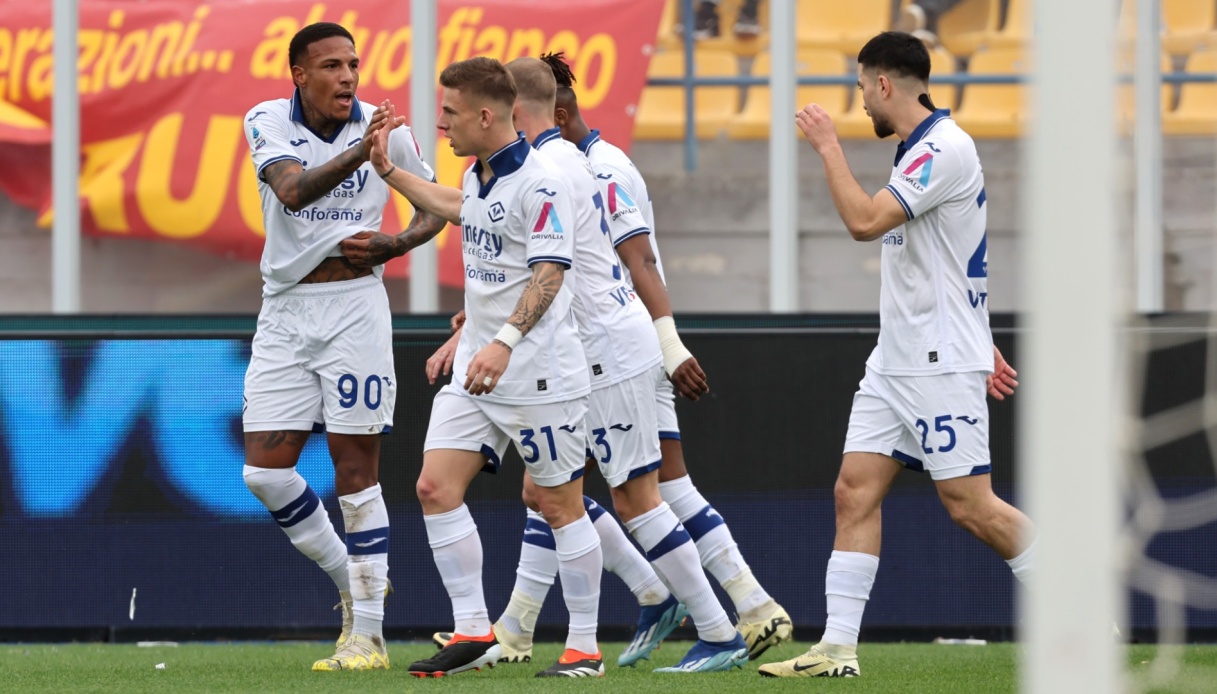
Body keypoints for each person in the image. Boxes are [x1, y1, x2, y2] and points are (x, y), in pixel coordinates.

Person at [435, 51, 794, 663]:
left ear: (515, 111)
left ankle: (719, 625)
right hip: (588, 342)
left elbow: (623, 258)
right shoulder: (564, 162)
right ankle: (528, 625)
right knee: (551, 490)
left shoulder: (566, 167)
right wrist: (476, 325)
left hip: (604, 345)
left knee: (635, 495)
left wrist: (669, 341)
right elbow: (512, 250)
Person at [758, 31, 1026, 678]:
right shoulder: (917, 150)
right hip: (896, 359)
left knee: (970, 505)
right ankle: (836, 650)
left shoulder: (942, 148)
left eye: (860, 88)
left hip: (936, 360)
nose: (859, 103)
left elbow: (863, 222)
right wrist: (978, 331)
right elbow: (949, 258)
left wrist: (828, 147)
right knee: (853, 491)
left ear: (883, 84)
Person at [367, 56, 606, 679]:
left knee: (559, 505)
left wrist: (502, 342)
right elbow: (459, 207)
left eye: (448, 112)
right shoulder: (479, 175)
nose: (440, 123)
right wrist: (390, 173)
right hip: (478, 368)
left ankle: (585, 649)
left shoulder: (542, 182)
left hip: (538, 373)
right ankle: (474, 629)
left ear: (483, 115)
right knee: (433, 488)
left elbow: (550, 273)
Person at [240, 21, 445, 672]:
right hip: (285, 309)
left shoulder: (391, 133)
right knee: (265, 474)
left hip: (355, 308)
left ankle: (370, 639)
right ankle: (355, 587)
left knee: (356, 470)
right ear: (299, 74)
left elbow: (435, 208)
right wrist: (364, 152)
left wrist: (396, 243)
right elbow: (292, 190)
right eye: (331, 65)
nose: (348, 76)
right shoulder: (268, 119)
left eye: (353, 64)